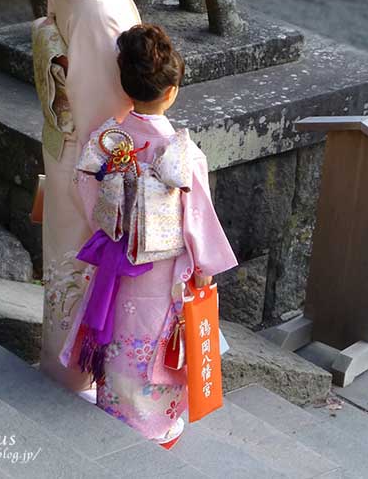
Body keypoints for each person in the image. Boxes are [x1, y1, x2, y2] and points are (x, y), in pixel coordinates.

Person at [59, 24, 238, 447]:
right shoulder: (182, 154)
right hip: (161, 272)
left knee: (120, 337)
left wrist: (118, 227)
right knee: (153, 349)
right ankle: (153, 429)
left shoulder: (106, 140)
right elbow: (199, 222)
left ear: (126, 86)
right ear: (172, 89)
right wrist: (204, 275)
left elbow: (87, 193)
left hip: (115, 261)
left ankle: (112, 407)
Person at [32, 0, 155, 392]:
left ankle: (62, 369)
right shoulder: (101, 7)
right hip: (93, 159)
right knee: (85, 266)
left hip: (64, 142)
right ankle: (74, 378)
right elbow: (112, 97)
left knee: (65, 261)